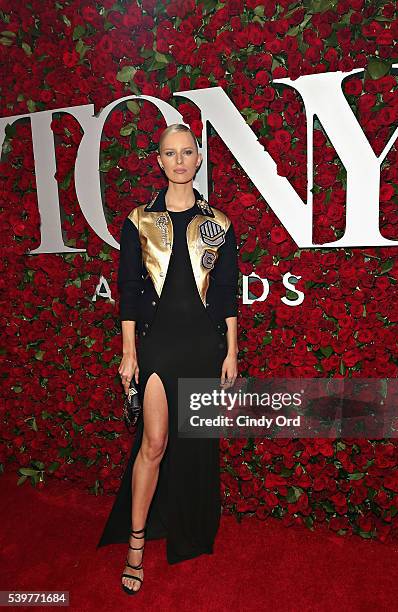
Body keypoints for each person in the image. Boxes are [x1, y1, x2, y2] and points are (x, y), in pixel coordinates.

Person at [96, 124, 239, 595]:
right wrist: (128, 351)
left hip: (203, 348)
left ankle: (189, 528)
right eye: (170, 153)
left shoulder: (218, 221)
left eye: (187, 152)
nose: (179, 160)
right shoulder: (138, 220)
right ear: (158, 161)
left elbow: (226, 293)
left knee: (196, 446)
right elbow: (130, 292)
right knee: (153, 444)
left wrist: (231, 352)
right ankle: (136, 543)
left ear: (198, 159)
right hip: (157, 346)